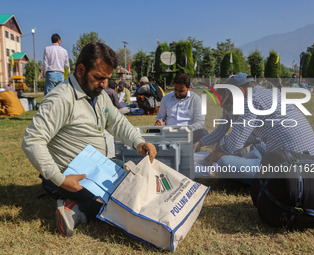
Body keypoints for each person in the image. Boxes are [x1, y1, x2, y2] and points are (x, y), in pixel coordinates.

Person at [22, 42, 157, 237]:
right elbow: (32, 140)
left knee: (134, 181)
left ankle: (78, 206)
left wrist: (138, 141)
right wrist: (60, 179)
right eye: (98, 78)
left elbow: (117, 122)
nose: (104, 84)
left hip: (97, 167)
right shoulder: (61, 99)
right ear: (80, 70)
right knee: (119, 204)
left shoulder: (98, 95)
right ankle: (75, 208)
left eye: (107, 79)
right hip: (69, 175)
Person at [204, 73, 314, 181]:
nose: (224, 104)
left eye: (227, 98)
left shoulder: (251, 101)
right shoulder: (270, 94)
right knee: (258, 145)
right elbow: (252, 138)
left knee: (224, 162)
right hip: (310, 160)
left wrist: (218, 152)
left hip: (289, 169)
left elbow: (234, 142)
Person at [155, 72, 208, 143]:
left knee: (203, 132)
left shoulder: (196, 99)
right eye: (175, 90)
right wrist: (159, 122)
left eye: (181, 91)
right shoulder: (166, 98)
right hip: (168, 132)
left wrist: (184, 131)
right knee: (150, 131)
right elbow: (160, 117)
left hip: (188, 134)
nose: (177, 93)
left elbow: (200, 122)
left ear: (188, 88)